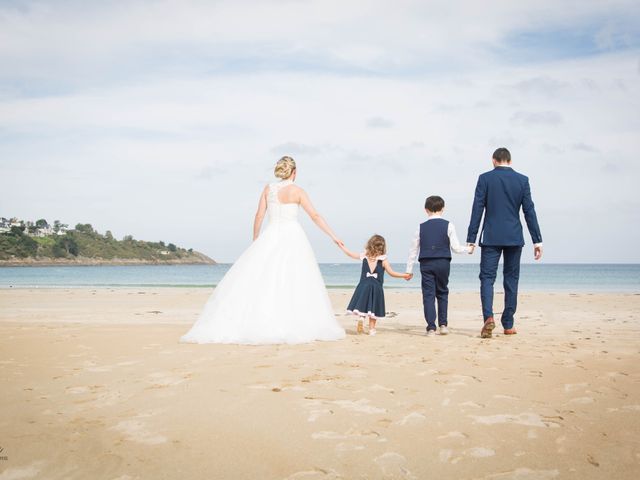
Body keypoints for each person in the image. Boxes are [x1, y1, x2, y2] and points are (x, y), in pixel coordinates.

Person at [179, 156, 346, 345]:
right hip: (293, 236)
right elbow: (315, 216)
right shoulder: (298, 191)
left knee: (266, 278)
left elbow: (259, 215)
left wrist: (255, 241)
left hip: (271, 234)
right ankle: (291, 322)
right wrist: (333, 236)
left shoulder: (269, 189)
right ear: (294, 172)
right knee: (295, 279)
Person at [466, 147, 543, 338]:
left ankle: (488, 318)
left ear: (493, 160)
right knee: (511, 279)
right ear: (510, 160)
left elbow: (477, 209)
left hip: (491, 236)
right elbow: (529, 211)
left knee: (487, 278)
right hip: (514, 236)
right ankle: (508, 324)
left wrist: (471, 238)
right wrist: (537, 240)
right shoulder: (522, 180)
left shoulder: (485, 178)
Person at [406, 195, 473, 336]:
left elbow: (413, 249)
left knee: (428, 295)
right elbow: (455, 247)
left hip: (426, 262)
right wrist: (468, 249)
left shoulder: (420, 227)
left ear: (426, 210)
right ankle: (443, 325)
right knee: (442, 292)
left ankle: (431, 327)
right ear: (443, 209)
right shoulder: (449, 225)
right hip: (443, 262)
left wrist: (409, 270)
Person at [339, 235, 411, 336]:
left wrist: (341, 246)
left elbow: (350, 254)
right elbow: (391, 273)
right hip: (376, 287)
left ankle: (361, 318)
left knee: (363, 304)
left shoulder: (364, 256)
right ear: (382, 247)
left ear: (370, 245)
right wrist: (404, 275)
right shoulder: (383, 259)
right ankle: (372, 329)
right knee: (373, 308)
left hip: (363, 286)